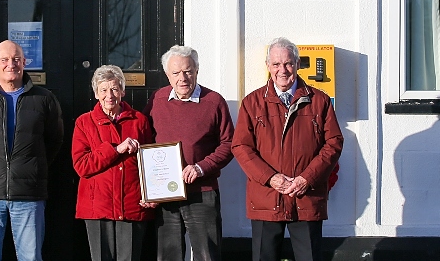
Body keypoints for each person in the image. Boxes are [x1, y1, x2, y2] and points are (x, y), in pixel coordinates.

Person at [232, 37, 343, 261]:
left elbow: (333, 143)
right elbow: (241, 146)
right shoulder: (252, 102)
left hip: (306, 196)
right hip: (266, 197)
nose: (282, 70)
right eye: (276, 64)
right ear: (268, 66)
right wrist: (270, 178)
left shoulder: (319, 100)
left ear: (297, 64)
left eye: (288, 63)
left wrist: (306, 178)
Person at [0, 40, 64, 261]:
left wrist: (34, 168)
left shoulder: (44, 99)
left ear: (25, 62)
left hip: (29, 192)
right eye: (5, 59)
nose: (11, 64)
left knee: (31, 257)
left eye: (16, 59)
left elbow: (54, 140)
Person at [143, 45, 235, 261]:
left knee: (207, 255)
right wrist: (149, 185)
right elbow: (145, 139)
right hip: (166, 193)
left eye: (188, 71)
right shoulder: (157, 99)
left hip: (202, 191)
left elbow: (229, 143)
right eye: (176, 73)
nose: (182, 78)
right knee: (168, 255)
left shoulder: (214, 101)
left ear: (197, 70)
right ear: (167, 74)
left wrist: (201, 167)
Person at [72, 65, 156, 261]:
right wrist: (115, 149)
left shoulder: (139, 121)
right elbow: (82, 165)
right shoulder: (84, 123)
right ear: (96, 93)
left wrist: (152, 194)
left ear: (123, 91)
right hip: (98, 206)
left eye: (115, 89)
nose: (109, 95)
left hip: (132, 203)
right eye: (103, 90)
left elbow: (149, 163)